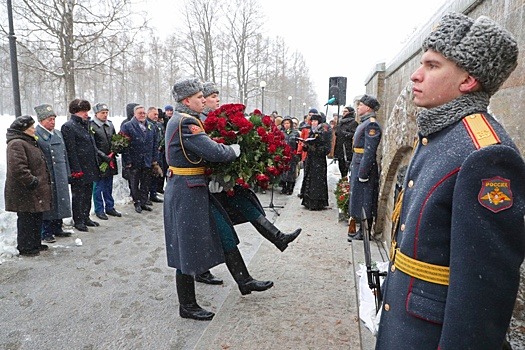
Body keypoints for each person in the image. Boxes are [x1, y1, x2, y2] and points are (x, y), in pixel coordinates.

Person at [376, 13, 525, 350]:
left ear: (468, 80)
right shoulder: (442, 134)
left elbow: (483, 290)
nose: (415, 75)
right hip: (407, 322)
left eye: (432, 65)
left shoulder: (485, 155)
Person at [164, 78, 273, 321]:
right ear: (186, 101)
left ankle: (244, 280)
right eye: (199, 97)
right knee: (186, 247)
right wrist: (235, 150)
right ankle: (187, 305)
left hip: (194, 188)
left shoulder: (185, 120)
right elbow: (213, 151)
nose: (204, 100)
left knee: (223, 230)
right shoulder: (186, 122)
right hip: (186, 191)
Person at [195, 82, 302, 285]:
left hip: (221, 180)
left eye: (217, 96)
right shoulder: (197, 121)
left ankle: (277, 237)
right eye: (211, 96)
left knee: (245, 202)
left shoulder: (216, 119)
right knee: (214, 230)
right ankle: (204, 270)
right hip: (205, 182)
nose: (216, 99)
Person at [5, 115, 52, 256]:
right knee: (26, 218)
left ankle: (35, 243)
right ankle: (25, 247)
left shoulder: (28, 141)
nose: (34, 129)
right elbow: (18, 167)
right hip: (24, 189)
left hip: (33, 188)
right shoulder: (16, 143)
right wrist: (31, 181)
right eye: (31, 127)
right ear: (23, 129)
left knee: (36, 216)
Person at [61, 99, 101, 232]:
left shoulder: (86, 124)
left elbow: (91, 145)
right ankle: (78, 220)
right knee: (78, 195)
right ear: (75, 112)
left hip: (89, 166)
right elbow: (71, 150)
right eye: (83, 111)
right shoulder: (69, 126)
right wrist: (76, 169)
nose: (86, 114)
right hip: (79, 168)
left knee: (88, 193)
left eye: (87, 111)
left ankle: (86, 216)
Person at [34, 104, 72, 242]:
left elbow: (64, 154)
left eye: (53, 119)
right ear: (41, 120)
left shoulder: (57, 133)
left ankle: (58, 227)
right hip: (47, 174)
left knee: (61, 200)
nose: (52, 122)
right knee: (48, 202)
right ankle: (46, 231)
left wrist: (67, 172)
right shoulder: (36, 135)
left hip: (59, 172)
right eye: (49, 119)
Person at [347, 95, 381, 241]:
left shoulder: (371, 125)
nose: (358, 107)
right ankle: (361, 229)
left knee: (365, 199)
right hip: (358, 162)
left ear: (368, 107)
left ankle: (364, 231)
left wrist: (363, 172)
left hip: (364, 167)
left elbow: (369, 151)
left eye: (361, 105)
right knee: (358, 198)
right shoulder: (364, 123)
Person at [120, 105, 162, 213]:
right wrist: (128, 161)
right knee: (134, 184)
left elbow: (154, 144)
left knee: (146, 183)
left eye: (144, 113)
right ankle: (137, 202)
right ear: (135, 114)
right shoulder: (127, 126)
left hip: (147, 160)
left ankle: (143, 202)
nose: (142, 115)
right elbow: (124, 145)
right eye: (140, 113)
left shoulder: (151, 126)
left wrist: (154, 160)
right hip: (134, 160)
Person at [90, 103, 122, 220]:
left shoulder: (110, 125)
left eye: (106, 112)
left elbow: (114, 139)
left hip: (110, 160)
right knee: (98, 186)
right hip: (99, 161)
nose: (105, 115)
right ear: (96, 114)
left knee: (108, 185)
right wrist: (103, 156)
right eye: (102, 113)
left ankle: (110, 206)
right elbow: (93, 145)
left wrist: (116, 149)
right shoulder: (92, 126)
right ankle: (99, 209)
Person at [300, 113, 332, 210]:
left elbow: (326, 148)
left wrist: (315, 148)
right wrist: (306, 145)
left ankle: (317, 202)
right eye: (312, 121)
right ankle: (308, 201)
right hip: (310, 160)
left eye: (315, 121)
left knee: (317, 182)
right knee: (309, 179)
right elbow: (308, 144)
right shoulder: (312, 131)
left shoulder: (324, 132)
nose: (313, 123)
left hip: (319, 161)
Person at [146, 106, 165, 203]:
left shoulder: (158, 125)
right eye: (154, 114)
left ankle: (153, 193)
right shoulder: (146, 124)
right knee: (148, 176)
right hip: (149, 154)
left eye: (157, 114)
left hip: (159, 152)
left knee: (156, 174)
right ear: (148, 113)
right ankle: (146, 196)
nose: (156, 116)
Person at [333, 106, 358, 179]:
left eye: (345, 111)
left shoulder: (353, 122)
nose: (343, 113)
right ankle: (343, 180)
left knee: (347, 167)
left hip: (347, 148)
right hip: (340, 147)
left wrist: (345, 133)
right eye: (343, 111)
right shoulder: (341, 122)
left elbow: (355, 135)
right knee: (341, 166)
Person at [280, 116, 300, 195]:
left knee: (291, 172)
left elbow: (298, 144)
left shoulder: (295, 133)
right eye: (285, 123)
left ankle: (290, 187)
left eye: (288, 123)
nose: (286, 125)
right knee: (283, 171)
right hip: (283, 154)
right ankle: (284, 187)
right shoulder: (281, 133)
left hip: (292, 155)